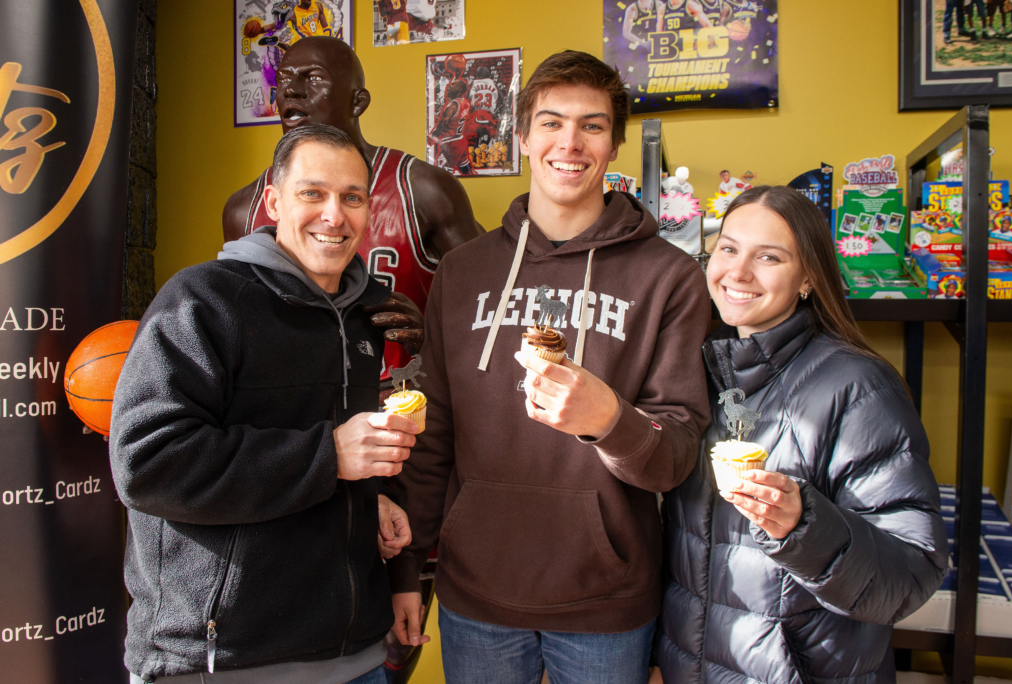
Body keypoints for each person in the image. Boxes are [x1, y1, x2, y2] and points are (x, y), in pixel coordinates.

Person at [389, 50, 711, 684]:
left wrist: (610, 420)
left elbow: (676, 454)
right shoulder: (462, 273)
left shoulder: (671, 278)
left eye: (592, 125)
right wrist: (407, 577)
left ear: (614, 144)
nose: (571, 142)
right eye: (552, 122)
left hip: (607, 601)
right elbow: (432, 439)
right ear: (523, 137)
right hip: (474, 592)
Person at [110, 124, 420, 683]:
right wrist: (328, 457)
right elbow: (147, 464)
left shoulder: (367, 313)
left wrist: (370, 506)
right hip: (222, 663)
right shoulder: (202, 298)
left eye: (352, 197)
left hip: (355, 657)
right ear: (274, 202)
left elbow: (336, 459)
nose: (335, 214)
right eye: (313, 193)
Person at [652, 186, 949, 683]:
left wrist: (803, 527)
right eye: (728, 248)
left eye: (768, 257)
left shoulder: (857, 387)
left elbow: (911, 575)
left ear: (809, 277)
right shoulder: (701, 371)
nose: (738, 273)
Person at [222, 36, 484, 387]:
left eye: (313, 78)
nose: (292, 91)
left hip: (401, 403)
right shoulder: (244, 208)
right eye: (283, 79)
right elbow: (233, 327)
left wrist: (432, 336)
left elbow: (491, 305)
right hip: (292, 415)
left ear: (358, 101)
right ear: (274, 203)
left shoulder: (422, 190)